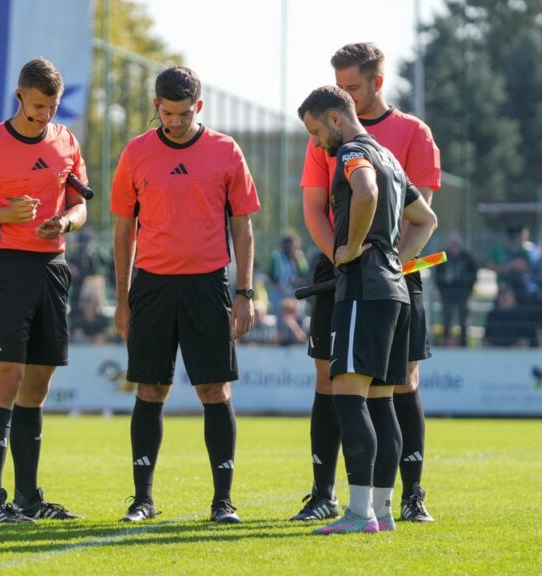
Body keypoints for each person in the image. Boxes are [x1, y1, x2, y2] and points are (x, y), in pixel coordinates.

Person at [294, 42, 442, 524]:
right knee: (381, 401)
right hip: (394, 289)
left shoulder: (354, 152)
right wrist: (395, 260)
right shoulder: (389, 157)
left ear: (336, 119)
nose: (317, 143)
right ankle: (382, 510)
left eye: (316, 132)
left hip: (363, 288)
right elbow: (426, 220)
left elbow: (365, 191)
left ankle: (359, 511)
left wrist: (353, 248)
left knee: (348, 395)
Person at [111, 66, 260, 524]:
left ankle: (223, 502)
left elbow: (243, 227)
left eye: (183, 113)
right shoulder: (136, 151)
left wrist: (244, 292)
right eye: (167, 113)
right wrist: (123, 298)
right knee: (150, 388)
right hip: (152, 286)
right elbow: (124, 230)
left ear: (199, 107)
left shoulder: (225, 150)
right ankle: (142, 500)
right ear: (156, 106)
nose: (174, 122)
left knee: (214, 389)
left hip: (208, 286)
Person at [0, 58, 88, 524]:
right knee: (7, 379)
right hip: (9, 268)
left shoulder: (66, 140)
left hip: (53, 269)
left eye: (52, 107)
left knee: (38, 385)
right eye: (37, 107)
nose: (45, 115)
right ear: (18, 97)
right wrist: (6, 216)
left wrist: (64, 222)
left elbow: (80, 205)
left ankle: (30, 499)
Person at [435, 232, 477, 347]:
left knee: (463, 319)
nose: (454, 247)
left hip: (463, 293)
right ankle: (445, 342)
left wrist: (468, 289)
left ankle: (463, 343)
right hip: (447, 293)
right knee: (446, 318)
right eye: (452, 244)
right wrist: (441, 290)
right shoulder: (442, 257)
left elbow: (474, 275)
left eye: (456, 244)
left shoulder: (467, 257)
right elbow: (437, 276)